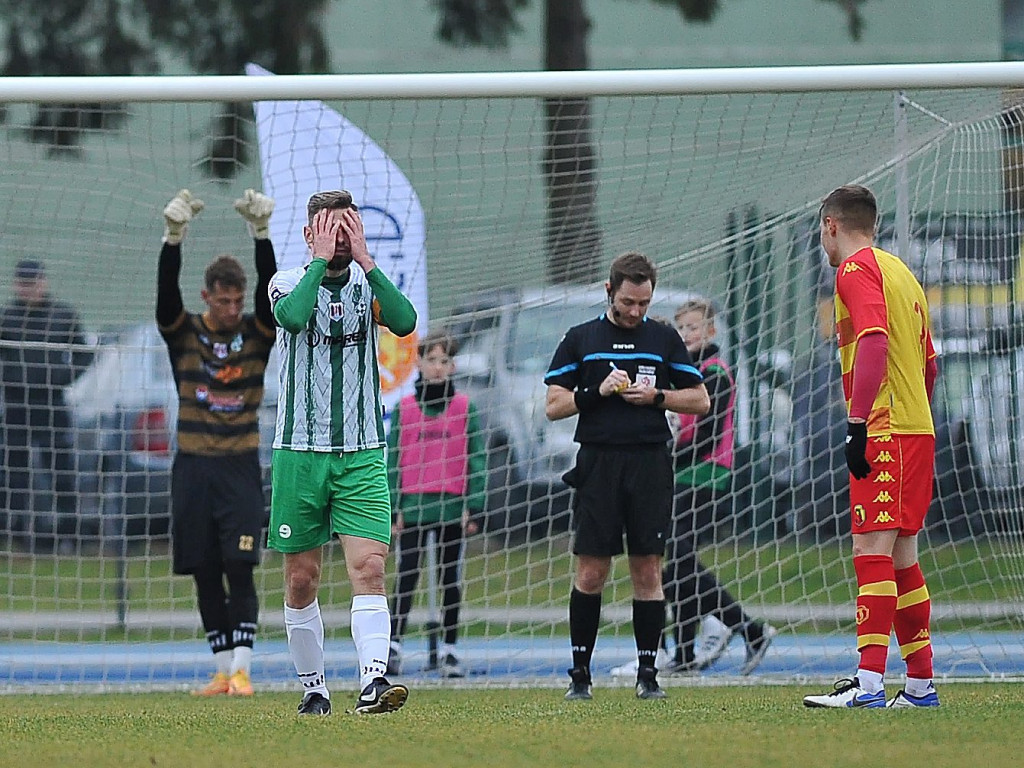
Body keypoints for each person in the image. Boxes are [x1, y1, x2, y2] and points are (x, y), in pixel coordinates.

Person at [268, 189, 417, 716]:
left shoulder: (366, 282)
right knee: (301, 577)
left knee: (370, 566)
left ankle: (374, 684)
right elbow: (291, 318)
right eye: (326, 231)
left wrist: (368, 262)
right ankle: (314, 687)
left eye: (344, 230)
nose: (336, 243)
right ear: (309, 233)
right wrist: (318, 262)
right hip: (300, 453)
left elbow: (403, 321)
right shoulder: (287, 280)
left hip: (361, 452)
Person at [544, 251, 710, 701]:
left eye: (643, 303)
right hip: (597, 464)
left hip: (650, 463)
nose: (635, 312)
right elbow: (554, 405)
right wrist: (595, 392)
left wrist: (657, 397)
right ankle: (580, 675)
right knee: (592, 571)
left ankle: (648, 675)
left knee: (647, 569)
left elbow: (700, 400)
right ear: (609, 292)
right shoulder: (581, 338)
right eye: (627, 303)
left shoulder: (663, 337)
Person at [803, 184, 940, 709]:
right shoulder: (903, 273)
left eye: (821, 230)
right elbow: (929, 364)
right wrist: (914, 419)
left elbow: (875, 340)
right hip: (914, 431)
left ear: (831, 225)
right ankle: (921, 686)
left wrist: (859, 422)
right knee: (903, 556)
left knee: (870, 552)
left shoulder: (855, 271)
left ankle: (868, 685)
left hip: (885, 431)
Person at [156, 188, 278, 697]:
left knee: (239, 566)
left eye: (237, 299)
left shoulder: (257, 332)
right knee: (203, 569)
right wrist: (173, 239)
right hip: (193, 468)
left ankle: (245, 671)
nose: (231, 308)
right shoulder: (184, 333)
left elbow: (273, 298)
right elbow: (165, 297)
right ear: (207, 297)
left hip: (239, 466)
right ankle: (223, 671)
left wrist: (262, 236)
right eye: (222, 300)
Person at [660, 298, 776, 674]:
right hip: (683, 476)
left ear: (710, 331)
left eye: (693, 327)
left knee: (678, 562)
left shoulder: (715, 373)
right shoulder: (686, 373)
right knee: (677, 568)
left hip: (706, 476)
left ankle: (748, 628)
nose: (686, 334)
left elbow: (707, 437)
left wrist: (667, 455)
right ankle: (685, 654)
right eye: (681, 328)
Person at [386, 330, 486, 679]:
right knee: (406, 577)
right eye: (431, 360)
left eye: (444, 361)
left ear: (453, 365)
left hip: (451, 506)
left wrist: (475, 504)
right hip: (413, 506)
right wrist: (393, 505)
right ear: (419, 363)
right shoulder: (405, 409)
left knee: (450, 578)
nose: (438, 367)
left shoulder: (464, 408)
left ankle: (450, 650)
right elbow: (393, 461)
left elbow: (477, 459)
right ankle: (393, 647)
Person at [0, 259, 92, 550]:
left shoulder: (62, 315)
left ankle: (68, 535)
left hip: (51, 404)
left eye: (33, 283)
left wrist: (61, 377)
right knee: (13, 471)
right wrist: (9, 377)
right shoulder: (7, 318)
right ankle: (13, 534)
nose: (29, 290)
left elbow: (83, 355)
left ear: (43, 283)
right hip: (15, 404)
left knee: (61, 470)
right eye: (23, 284)